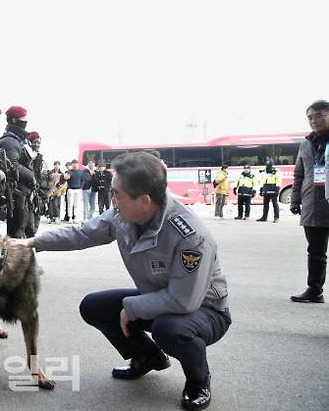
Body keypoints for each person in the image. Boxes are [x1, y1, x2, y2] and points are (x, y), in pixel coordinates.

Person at [21, 152, 230, 410]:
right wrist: (32, 243)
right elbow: (83, 234)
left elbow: (183, 300)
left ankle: (198, 381)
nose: (113, 200)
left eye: (117, 194)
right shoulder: (122, 215)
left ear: (144, 200)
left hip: (204, 310)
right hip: (160, 298)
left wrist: (132, 307)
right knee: (94, 306)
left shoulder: (190, 237)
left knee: (169, 329)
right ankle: (147, 356)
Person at [290, 100, 329, 304]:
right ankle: (315, 290)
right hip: (314, 205)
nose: (314, 120)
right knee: (315, 251)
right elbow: (299, 174)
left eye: (319, 115)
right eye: (310, 117)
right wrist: (295, 200)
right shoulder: (306, 144)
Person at [0, 106, 35, 238]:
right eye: (23, 119)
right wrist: (31, 176)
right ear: (14, 120)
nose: (25, 122)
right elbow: (12, 165)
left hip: (23, 193)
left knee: (26, 230)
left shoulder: (18, 141)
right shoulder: (10, 141)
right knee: (17, 233)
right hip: (16, 193)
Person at [26, 131, 47, 237]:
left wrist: (44, 195)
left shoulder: (40, 158)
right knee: (27, 223)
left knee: (35, 221)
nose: (37, 145)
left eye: (39, 142)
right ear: (29, 142)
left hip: (38, 193)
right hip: (26, 192)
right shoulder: (25, 155)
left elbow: (43, 177)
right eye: (35, 142)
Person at [64, 159, 84, 223]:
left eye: (76, 163)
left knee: (77, 204)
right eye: (74, 163)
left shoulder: (80, 172)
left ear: (78, 164)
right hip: (70, 189)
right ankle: (70, 217)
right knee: (70, 204)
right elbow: (65, 179)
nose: (75, 165)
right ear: (72, 164)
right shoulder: (69, 171)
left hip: (78, 190)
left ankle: (75, 217)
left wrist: (81, 187)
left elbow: (83, 180)